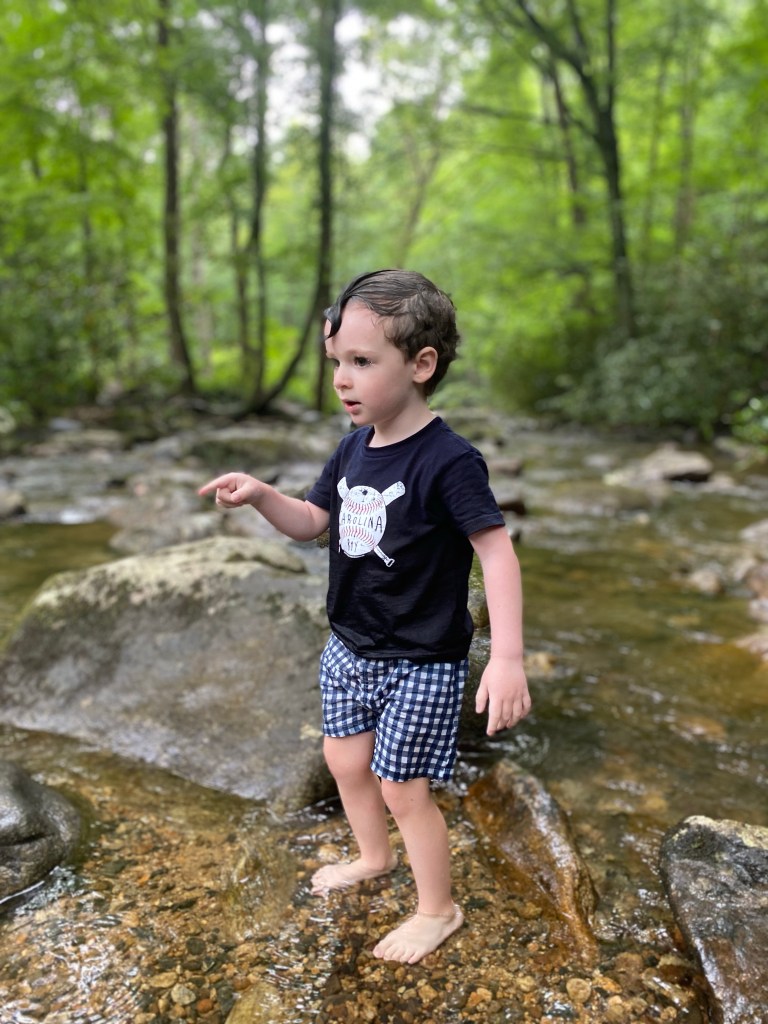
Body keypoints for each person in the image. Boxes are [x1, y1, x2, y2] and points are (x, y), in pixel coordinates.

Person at [199, 269, 530, 964]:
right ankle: (374, 857)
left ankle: (438, 909)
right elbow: (313, 520)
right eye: (335, 363)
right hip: (349, 645)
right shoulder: (352, 448)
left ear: (421, 364)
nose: (341, 380)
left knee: (402, 787)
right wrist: (261, 495)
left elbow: (496, 553)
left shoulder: (450, 461)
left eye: (361, 361)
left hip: (422, 657)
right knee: (344, 759)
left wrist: (506, 658)